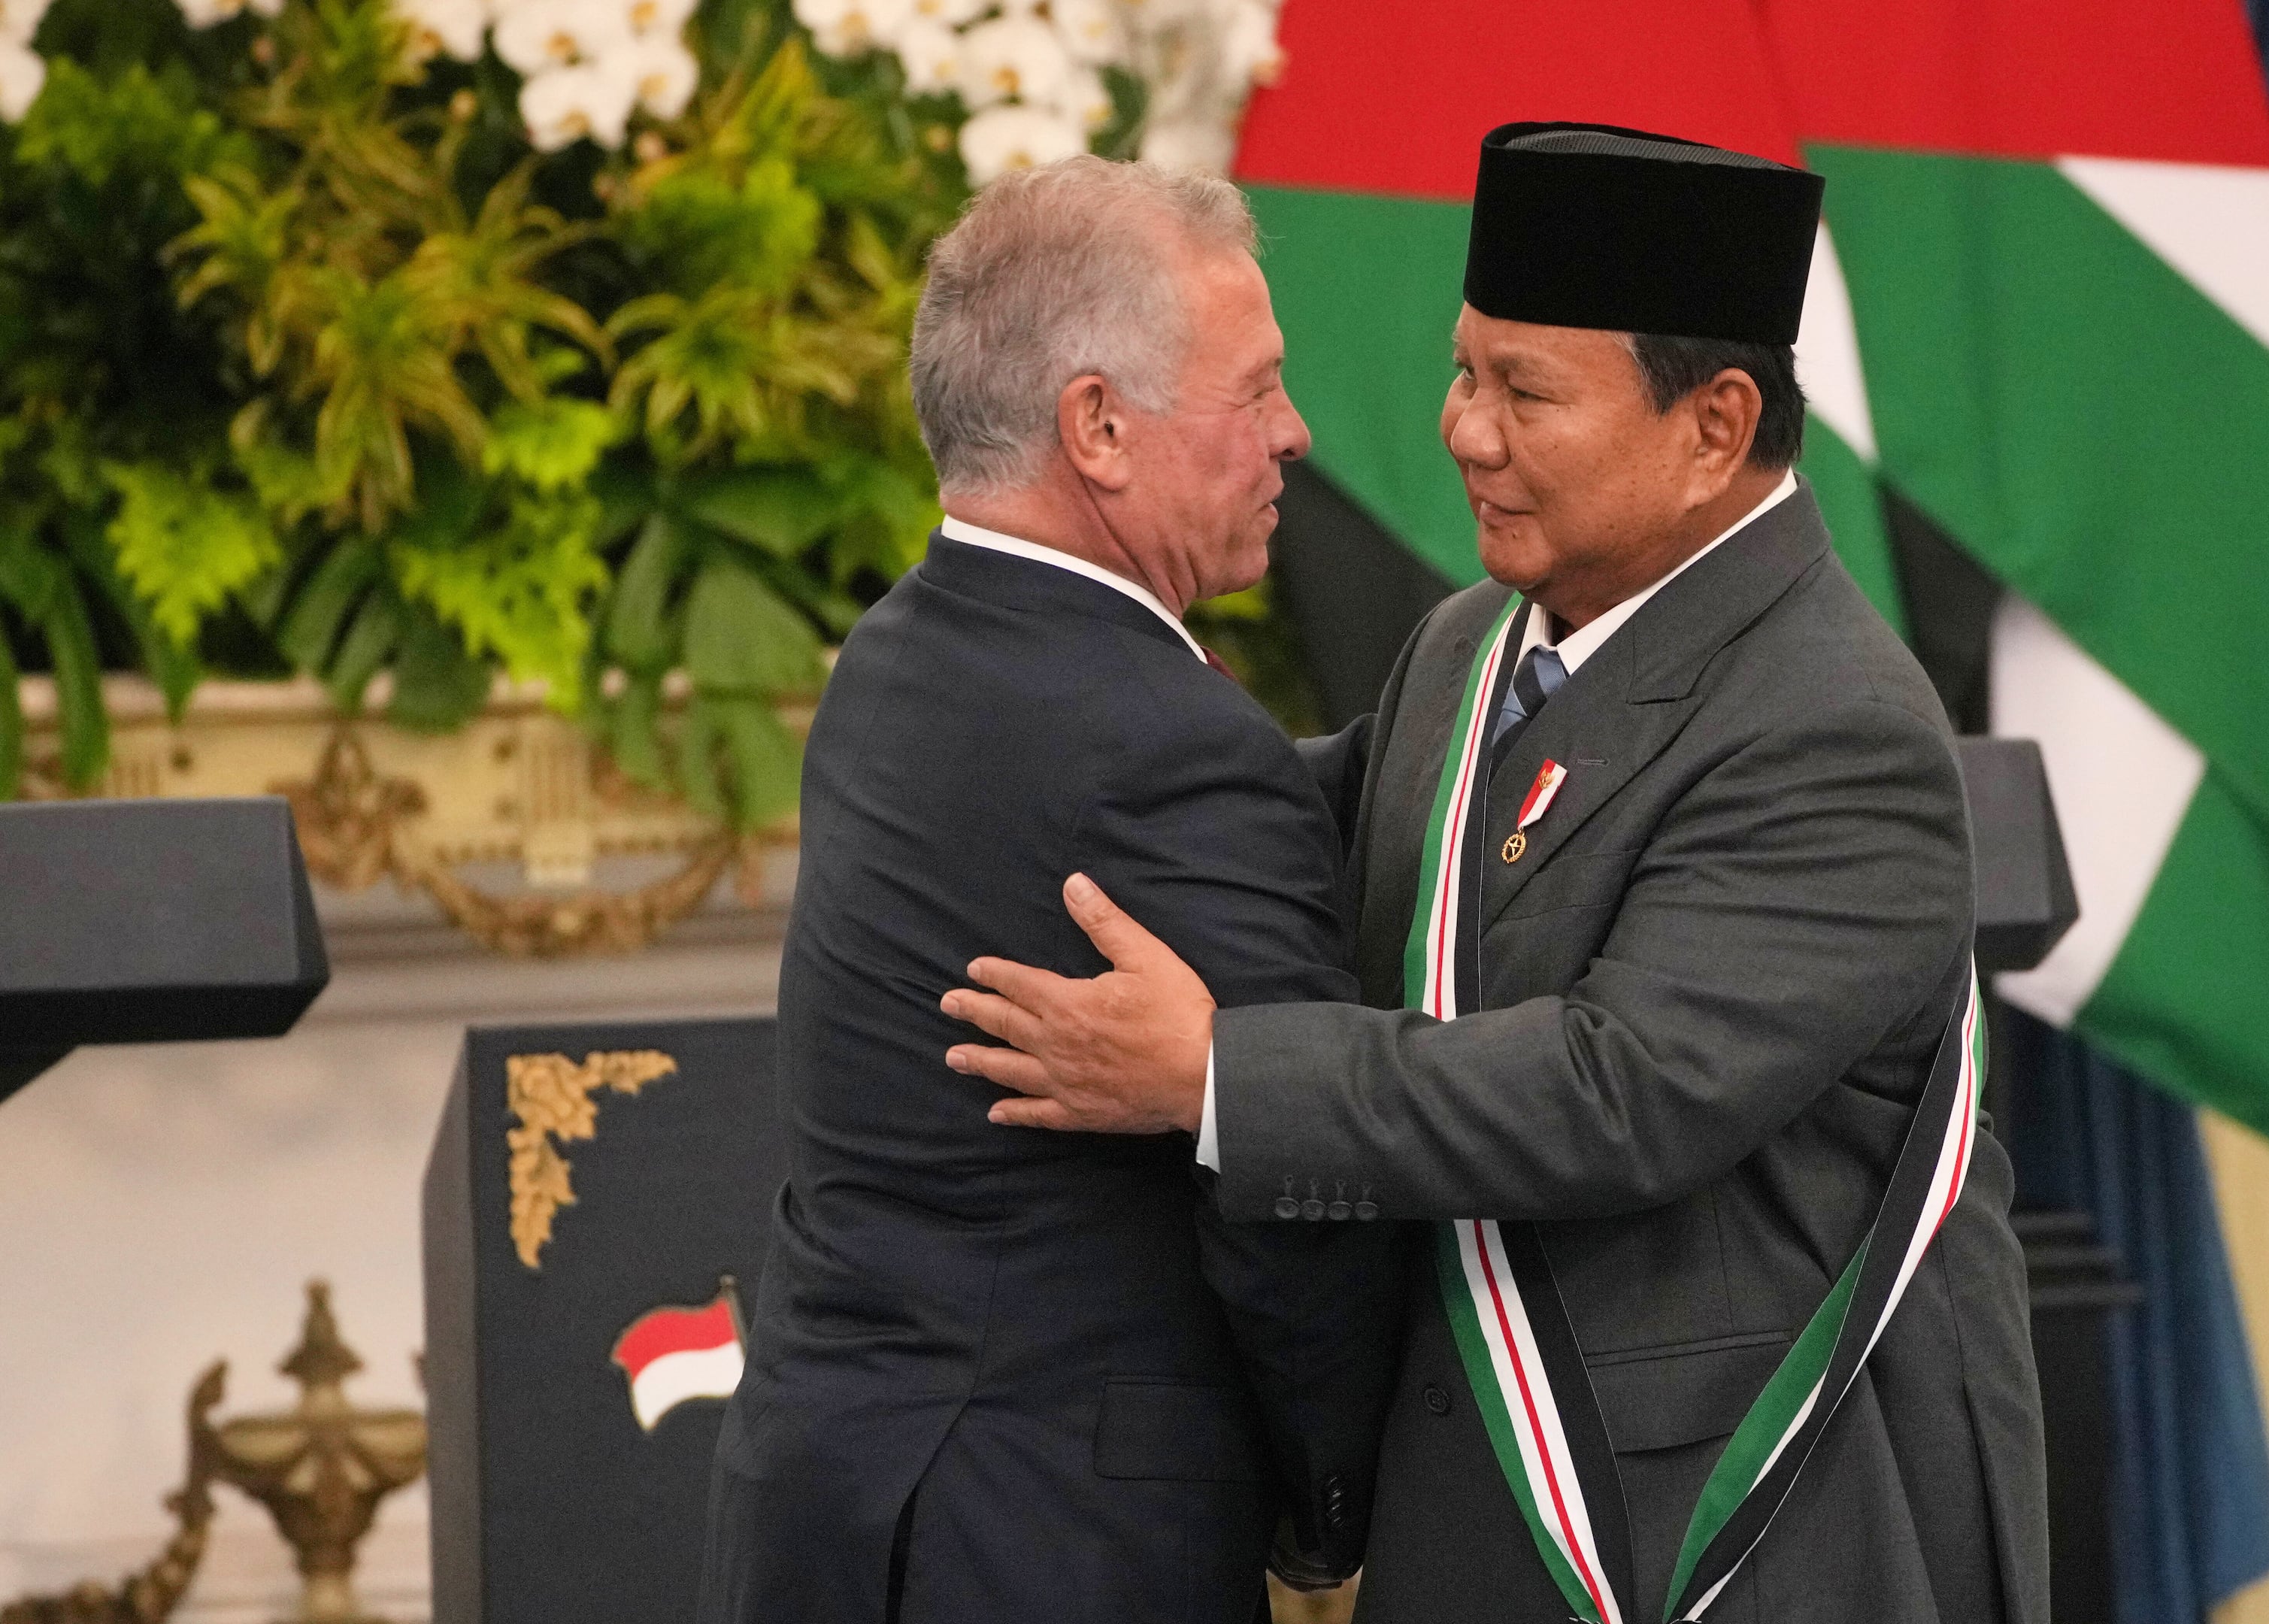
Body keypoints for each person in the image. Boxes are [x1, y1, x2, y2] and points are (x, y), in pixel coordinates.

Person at [939, 124, 2050, 1624]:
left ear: (1716, 427)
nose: (1464, 430)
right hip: (1467, 1527)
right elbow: (1259, 834)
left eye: (1526, 391)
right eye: (1468, 371)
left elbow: (1622, 1093)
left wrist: (1215, 1079)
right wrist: (1016, 701)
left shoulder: (1833, 724)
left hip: (1726, 1539)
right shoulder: (1470, 644)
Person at [698, 157, 1403, 1624]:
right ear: (1100, 427)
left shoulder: (892, 661)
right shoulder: (1175, 746)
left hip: (826, 1507)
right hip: (1051, 1544)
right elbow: (1301, 1221)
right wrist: (1333, 1515)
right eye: (1257, 390)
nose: (1295, 435)